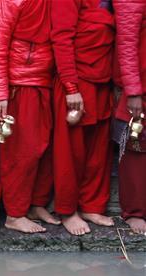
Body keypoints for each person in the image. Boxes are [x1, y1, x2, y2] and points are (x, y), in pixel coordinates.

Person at [0, 0, 57, 234]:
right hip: (21, 82)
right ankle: (15, 214)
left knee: (43, 147)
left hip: (45, 80)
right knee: (21, 151)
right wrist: (1, 94)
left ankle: (34, 205)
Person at [50, 0, 115, 236]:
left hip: (102, 78)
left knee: (98, 150)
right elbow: (61, 38)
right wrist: (70, 86)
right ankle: (67, 210)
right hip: (77, 80)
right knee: (71, 151)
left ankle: (92, 206)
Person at [114, 0, 146, 235]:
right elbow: (126, 43)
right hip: (140, 87)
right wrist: (134, 91)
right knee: (136, 147)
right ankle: (134, 212)